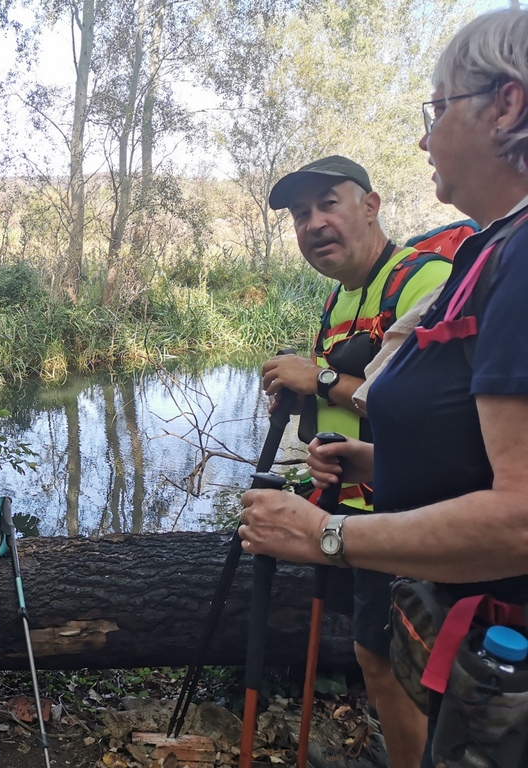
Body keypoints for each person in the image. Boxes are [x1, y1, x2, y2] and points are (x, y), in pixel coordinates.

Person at [239, 9, 528, 768]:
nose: (424, 138)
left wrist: (323, 535)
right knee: (388, 668)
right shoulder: (487, 252)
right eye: (299, 215)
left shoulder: (492, 264)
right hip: (433, 573)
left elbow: (523, 511)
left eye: (436, 109)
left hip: (480, 606)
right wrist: (370, 458)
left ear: (508, 104)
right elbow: (463, 436)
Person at [261, 156, 450, 768]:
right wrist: (300, 394)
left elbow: (425, 414)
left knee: (400, 658)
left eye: (328, 204)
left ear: (370, 206)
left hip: (416, 513)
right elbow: (346, 399)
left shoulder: (422, 281)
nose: (314, 223)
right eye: (299, 214)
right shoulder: (336, 302)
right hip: (351, 510)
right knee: (377, 653)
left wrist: (314, 375)